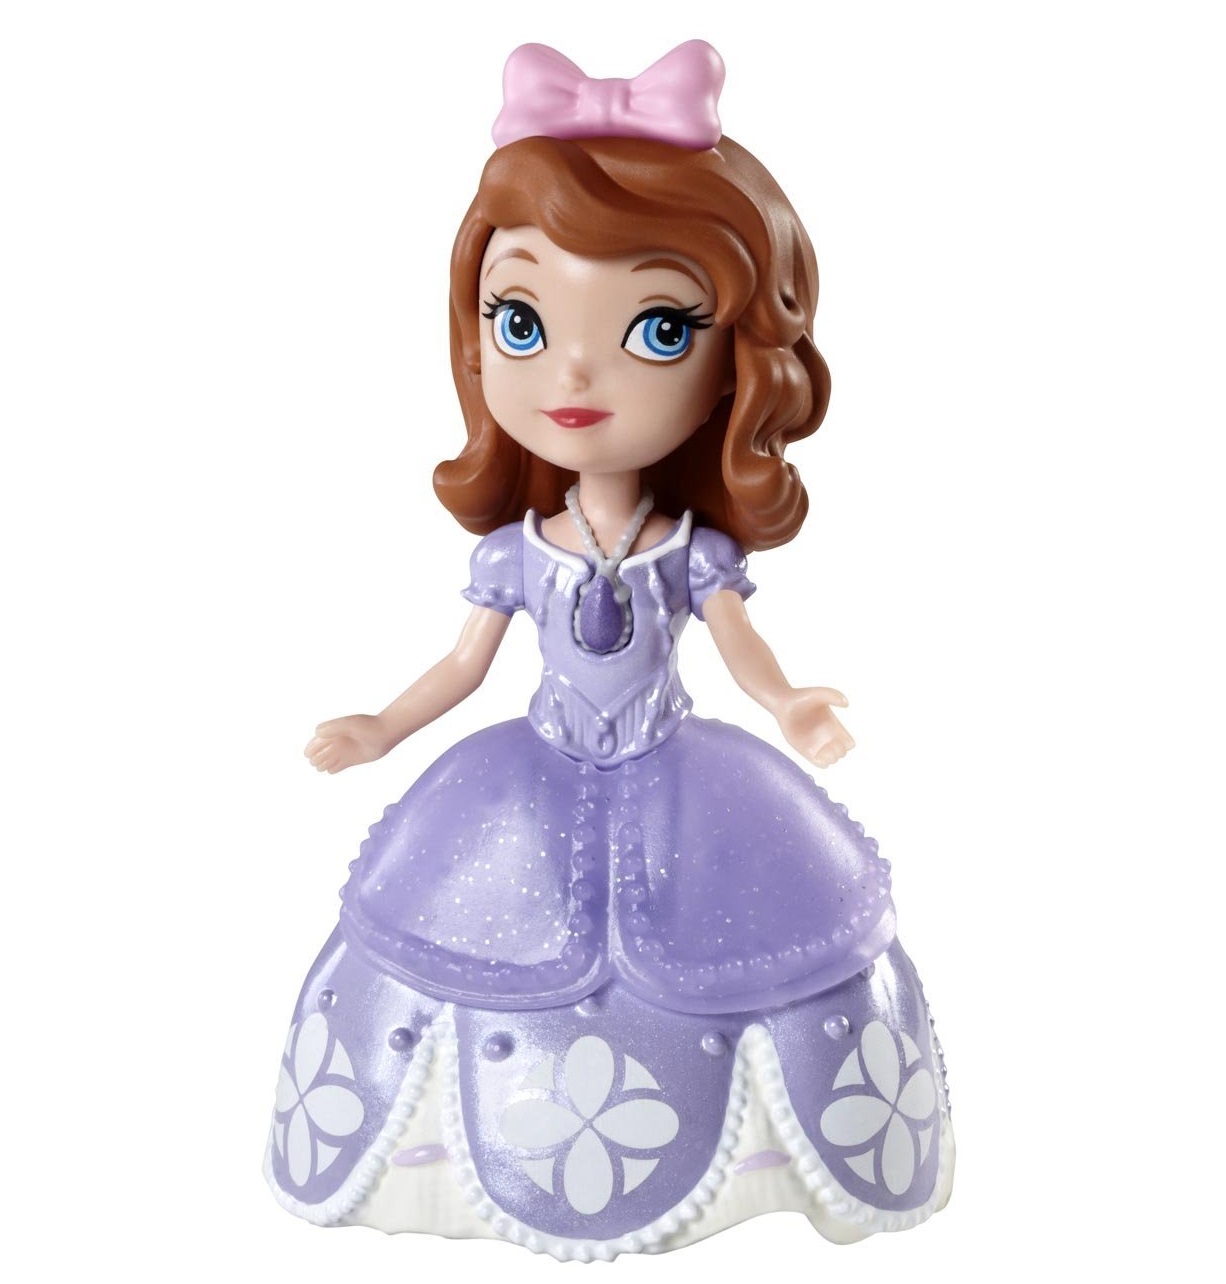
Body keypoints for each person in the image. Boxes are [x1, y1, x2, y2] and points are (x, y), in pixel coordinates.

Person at [266, 41, 953, 1258]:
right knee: (475, 937)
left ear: (738, 364)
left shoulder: (687, 547)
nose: (574, 371)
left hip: (687, 781)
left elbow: (742, 647)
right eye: (522, 320)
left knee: (742, 941)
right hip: (522, 781)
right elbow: (465, 665)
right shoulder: (518, 550)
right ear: (477, 338)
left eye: (657, 327)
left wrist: (791, 704)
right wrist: (380, 725)